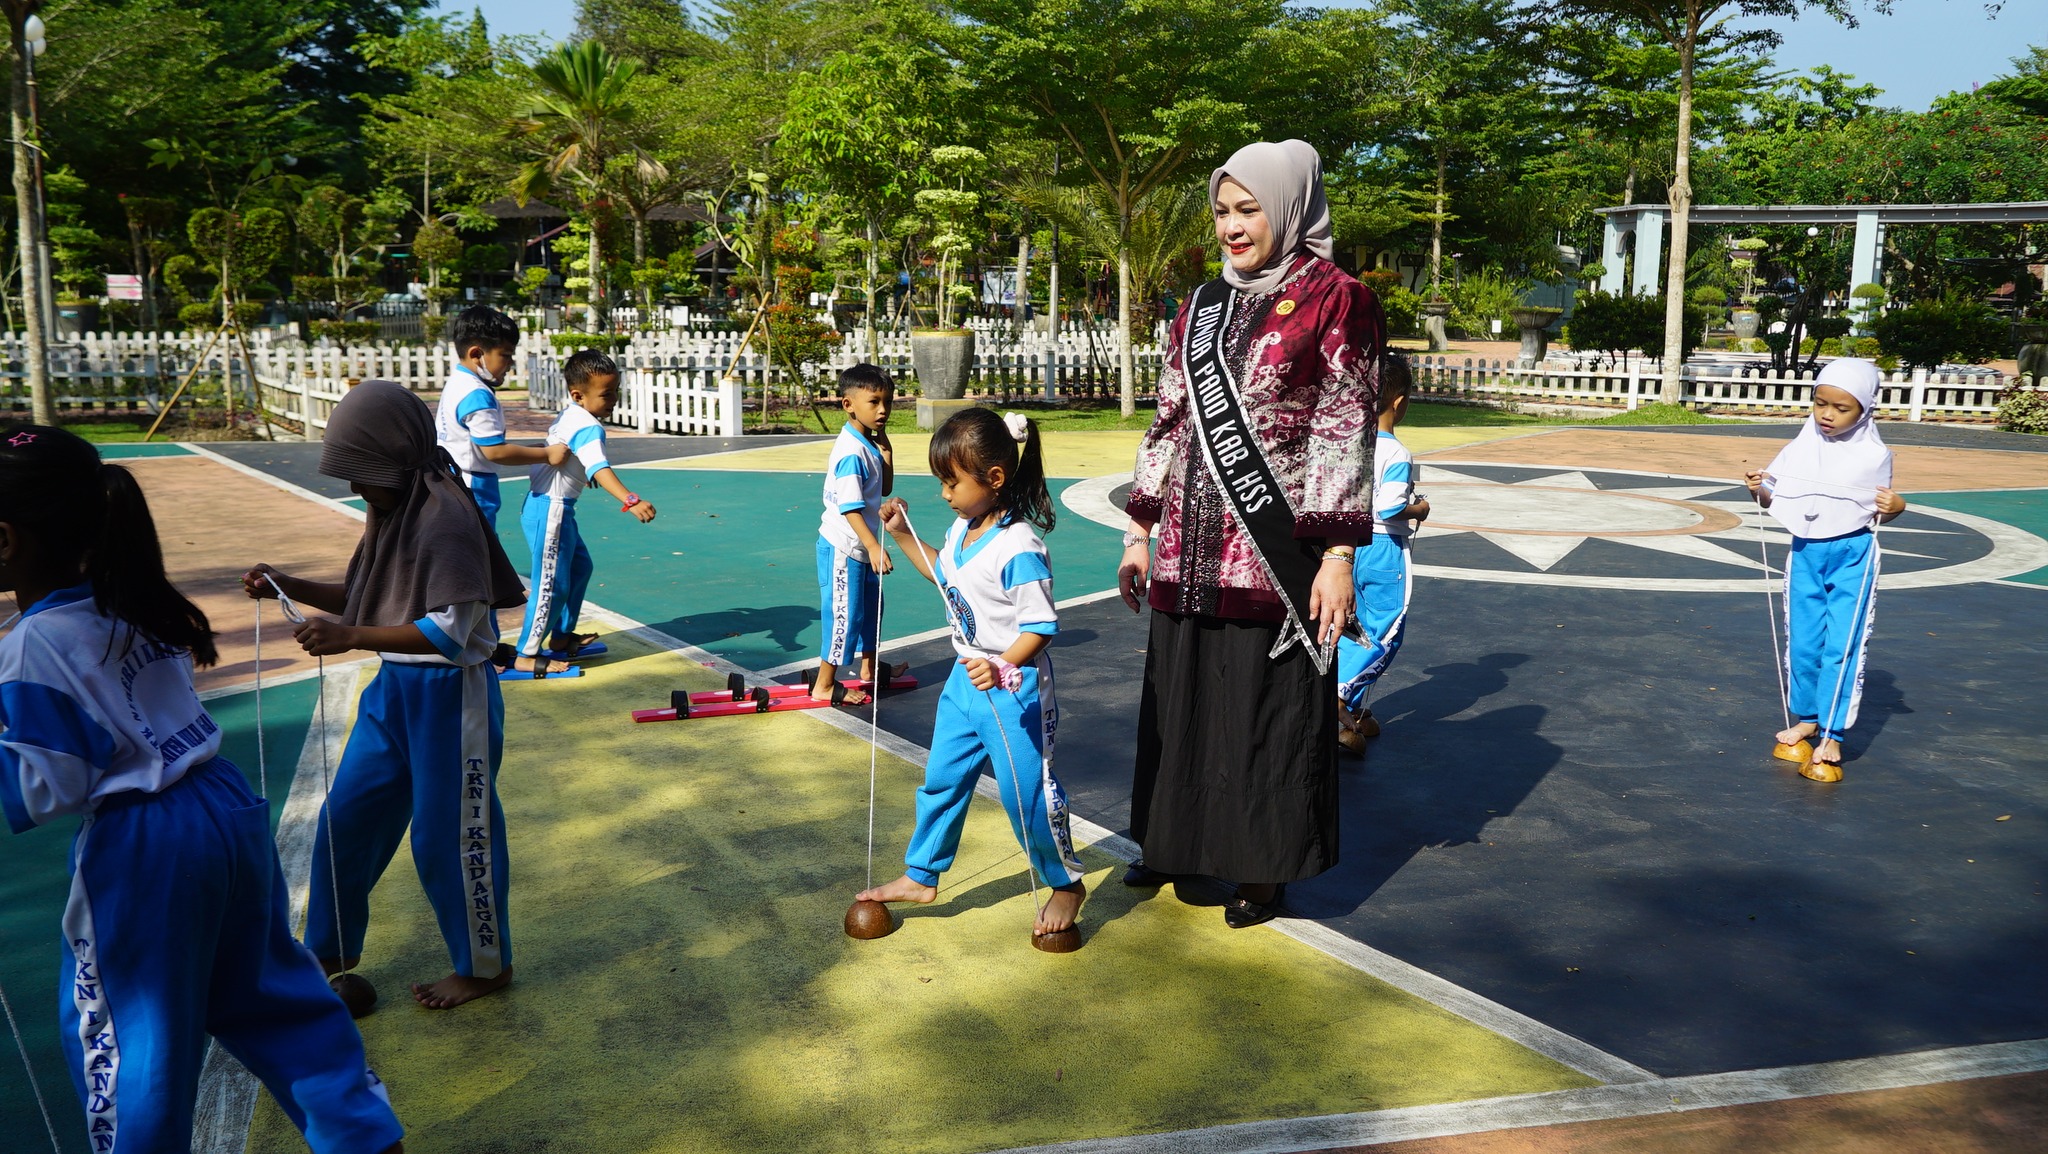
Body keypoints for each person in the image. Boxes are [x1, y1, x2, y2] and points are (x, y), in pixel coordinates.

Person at [0, 425, 405, 1154]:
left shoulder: (32, 642)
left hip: (141, 843)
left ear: (6, 541)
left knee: (132, 1039)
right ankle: (363, 1134)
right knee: (272, 997)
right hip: (220, 802)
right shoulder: (128, 599)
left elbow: (48, 785)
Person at [1118, 139, 1382, 929]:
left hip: (1274, 557)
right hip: (1188, 549)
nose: (1232, 227)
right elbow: (1170, 417)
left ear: (1290, 208)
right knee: (1182, 700)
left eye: (1249, 210)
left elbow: (1344, 427)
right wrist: (1140, 528)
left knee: (1265, 713)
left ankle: (1262, 869)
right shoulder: (1201, 304)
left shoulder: (1339, 298)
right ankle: (1173, 841)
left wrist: (1337, 555)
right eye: (1222, 212)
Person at [245, 380, 529, 1009]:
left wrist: (349, 636)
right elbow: (367, 595)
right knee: (347, 818)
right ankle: (330, 949)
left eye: (362, 471)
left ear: (395, 460)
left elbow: (448, 634)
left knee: (450, 834)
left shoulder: (445, 519)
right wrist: (287, 583)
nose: (356, 485)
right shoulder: (394, 513)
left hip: (450, 698)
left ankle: (486, 966)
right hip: (394, 691)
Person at [857, 408, 1086, 941]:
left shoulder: (1019, 546)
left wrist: (1003, 663)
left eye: (951, 482)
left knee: (1026, 794)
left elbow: (1041, 626)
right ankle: (922, 875)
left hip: (1013, 689)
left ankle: (1065, 883)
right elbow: (946, 575)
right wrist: (902, 535)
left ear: (994, 478)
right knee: (942, 780)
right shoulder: (963, 527)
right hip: (965, 681)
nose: (944, 494)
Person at [1744, 358, 1905, 783]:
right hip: (1806, 552)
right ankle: (1808, 718)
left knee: (1841, 644)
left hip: (1852, 554)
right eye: (1820, 404)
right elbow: (1774, 496)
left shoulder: (1874, 455)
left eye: (1841, 407)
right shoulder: (1800, 447)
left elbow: (1877, 511)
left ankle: (1832, 734)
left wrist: (1896, 507)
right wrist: (1758, 487)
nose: (1827, 415)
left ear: (1865, 410)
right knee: (1803, 640)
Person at [510, 349, 656, 675]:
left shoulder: (570, 416)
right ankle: (526, 654)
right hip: (551, 511)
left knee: (579, 569)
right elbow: (599, 466)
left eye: (615, 391)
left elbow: (573, 454)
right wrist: (631, 500)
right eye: (606, 394)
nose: (613, 399)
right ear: (578, 395)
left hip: (555, 509)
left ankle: (562, 637)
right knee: (551, 585)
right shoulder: (589, 426)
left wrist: (579, 469)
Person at [1337, 354, 1428, 754]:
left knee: (1353, 628)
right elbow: (1390, 507)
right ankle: (1339, 696)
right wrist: (1419, 509)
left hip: (1348, 546)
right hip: (1383, 549)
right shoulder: (1397, 453)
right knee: (1386, 633)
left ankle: (1352, 713)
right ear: (1399, 402)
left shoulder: (1351, 443)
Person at [811, 363, 903, 706]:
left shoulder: (867, 443)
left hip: (861, 546)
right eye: (874, 402)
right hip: (845, 546)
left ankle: (869, 669)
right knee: (844, 614)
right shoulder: (851, 452)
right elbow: (850, 507)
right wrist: (873, 545)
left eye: (887, 402)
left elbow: (884, 487)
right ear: (848, 405)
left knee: (871, 609)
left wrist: (887, 454)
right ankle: (824, 684)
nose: (883, 410)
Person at [435, 305, 566, 530]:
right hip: (474, 487)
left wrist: (530, 451)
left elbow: (476, 444)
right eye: (505, 355)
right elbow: (495, 451)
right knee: (481, 544)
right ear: (476, 354)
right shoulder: (477, 395)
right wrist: (547, 455)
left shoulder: (458, 382)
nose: (510, 363)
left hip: (453, 479)